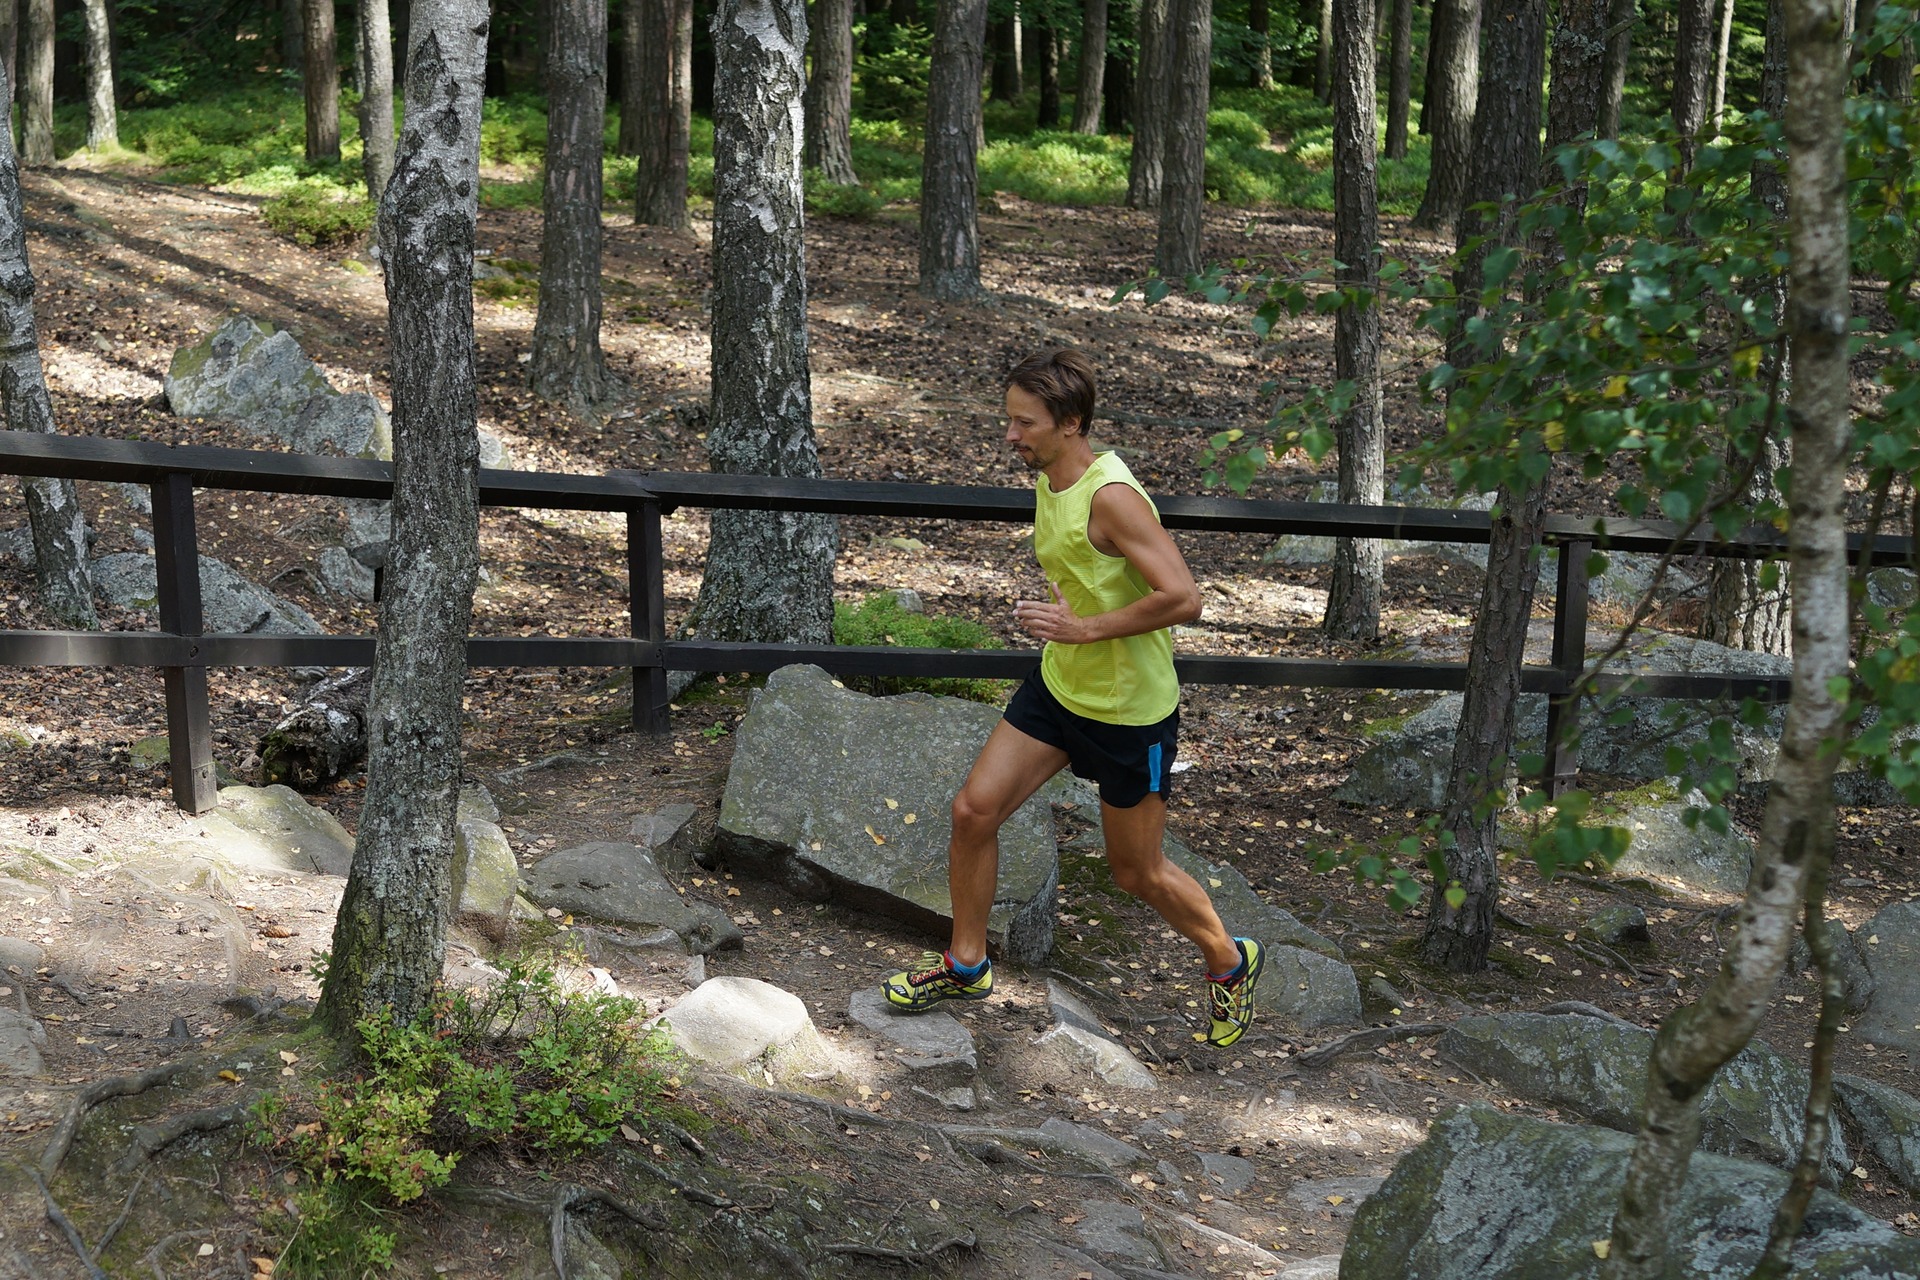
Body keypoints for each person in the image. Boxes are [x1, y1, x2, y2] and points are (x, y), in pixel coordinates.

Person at [879, 349, 1265, 1048]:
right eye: (1009, 420)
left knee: (1135, 871)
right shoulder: (1053, 477)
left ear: (1071, 423)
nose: (1010, 436)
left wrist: (1085, 627)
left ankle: (1229, 960)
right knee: (974, 812)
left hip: (1128, 715)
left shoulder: (1111, 496)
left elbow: (1185, 598)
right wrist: (1070, 634)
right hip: (1061, 687)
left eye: (1023, 423)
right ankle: (967, 962)